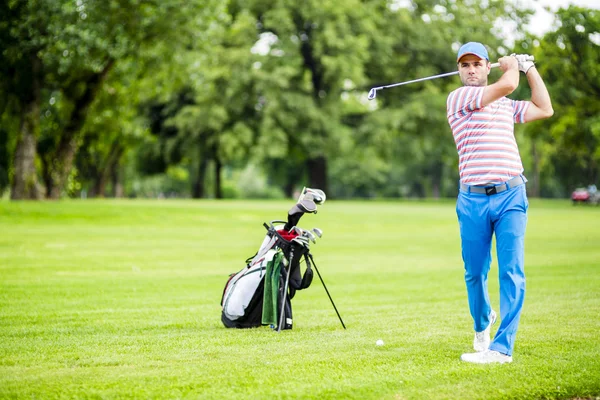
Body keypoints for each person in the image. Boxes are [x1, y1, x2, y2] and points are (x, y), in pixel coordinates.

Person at [446, 42, 553, 364]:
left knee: (512, 271)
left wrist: (529, 68)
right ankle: (482, 322)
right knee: (474, 272)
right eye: (465, 65)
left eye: (478, 64)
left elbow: (545, 108)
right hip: (473, 200)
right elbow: (507, 83)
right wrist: (512, 66)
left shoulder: (506, 105)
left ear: (486, 66)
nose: (471, 70)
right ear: (459, 70)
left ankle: (501, 348)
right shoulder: (458, 99)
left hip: (511, 196)